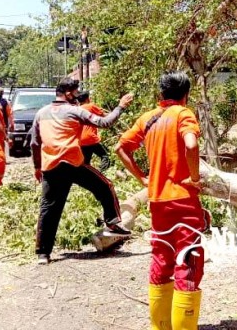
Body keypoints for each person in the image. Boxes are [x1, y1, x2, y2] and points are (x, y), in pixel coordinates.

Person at [115, 70, 207, 330]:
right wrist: (194, 178)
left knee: (162, 259)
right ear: (186, 95)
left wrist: (142, 178)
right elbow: (190, 145)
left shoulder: (147, 118)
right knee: (188, 261)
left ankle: (161, 327)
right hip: (184, 202)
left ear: (161, 95)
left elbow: (120, 148)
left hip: (158, 202)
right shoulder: (183, 114)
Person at [30, 77, 134, 265]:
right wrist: (121, 106)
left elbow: (35, 143)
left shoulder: (41, 113)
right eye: (76, 92)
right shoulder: (74, 111)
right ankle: (112, 222)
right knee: (105, 186)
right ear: (69, 93)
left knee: (48, 209)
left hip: (50, 166)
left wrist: (37, 167)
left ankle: (42, 254)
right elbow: (105, 123)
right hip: (72, 164)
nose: (78, 95)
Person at [77, 91, 111, 172]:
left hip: (80, 140)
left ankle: (85, 179)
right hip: (90, 138)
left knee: (86, 163)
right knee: (106, 155)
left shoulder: (77, 109)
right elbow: (104, 116)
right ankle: (102, 174)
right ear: (87, 98)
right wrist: (113, 114)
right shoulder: (90, 106)